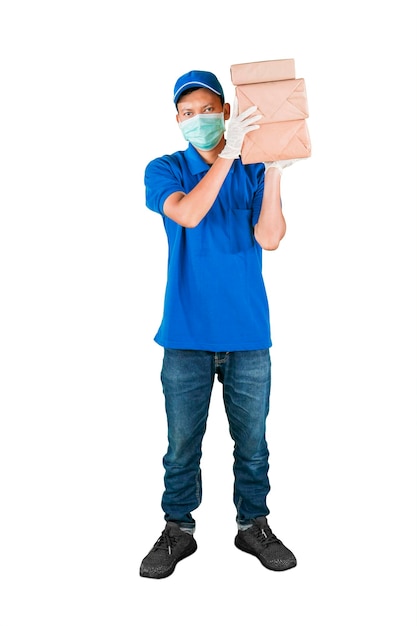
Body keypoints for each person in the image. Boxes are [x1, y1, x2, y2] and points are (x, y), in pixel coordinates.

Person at [139, 69, 297, 579]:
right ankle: (177, 531)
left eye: (207, 109)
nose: (198, 120)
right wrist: (228, 155)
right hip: (185, 334)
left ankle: (253, 525)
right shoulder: (164, 168)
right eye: (187, 114)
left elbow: (270, 238)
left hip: (248, 333)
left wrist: (271, 168)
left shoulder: (251, 172)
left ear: (226, 112)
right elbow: (186, 214)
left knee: (253, 444)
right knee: (182, 443)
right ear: (177, 121)